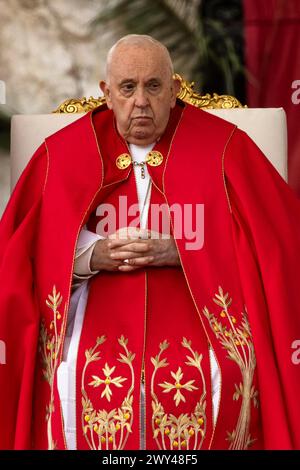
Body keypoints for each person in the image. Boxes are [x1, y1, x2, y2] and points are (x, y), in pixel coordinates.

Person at [0, 34, 300, 451]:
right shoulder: (62, 154)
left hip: (201, 312)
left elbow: (277, 242)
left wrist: (183, 250)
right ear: (106, 94)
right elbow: (24, 252)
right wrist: (92, 255)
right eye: (127, 87)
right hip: (91, 308)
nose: (140, 101)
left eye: (153, 86)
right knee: (71, 374)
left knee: (218, 373)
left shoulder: (224, 147)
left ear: (174, 91)